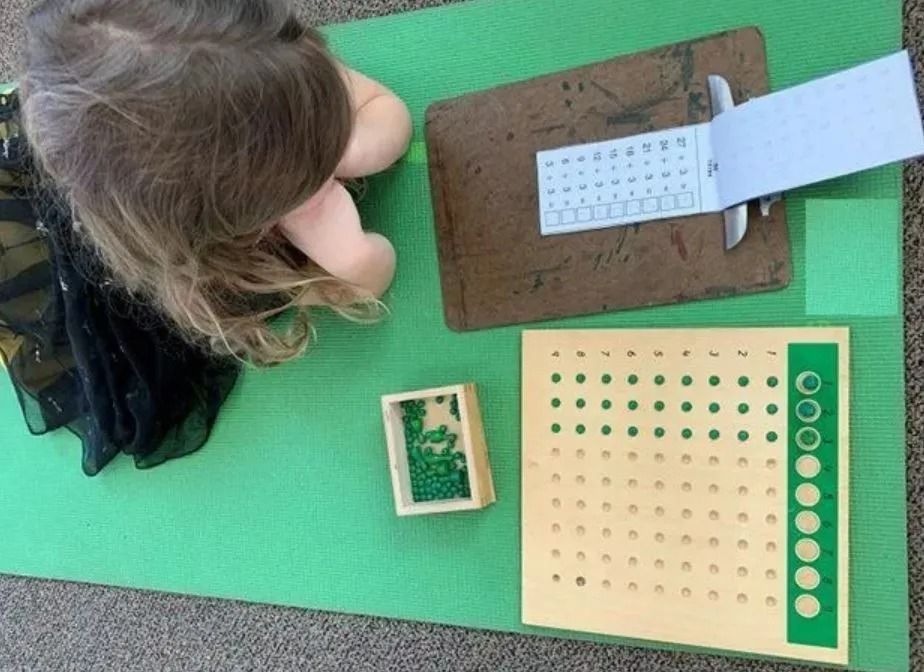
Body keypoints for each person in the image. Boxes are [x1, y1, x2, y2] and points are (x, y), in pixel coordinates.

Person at [0, 0, 412, 475]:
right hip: (117, 223)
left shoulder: (261, 77)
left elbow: (384, 110)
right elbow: (364, 282)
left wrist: (352, 147)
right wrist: (350, 253)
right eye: (290, 185)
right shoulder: (203, 269)